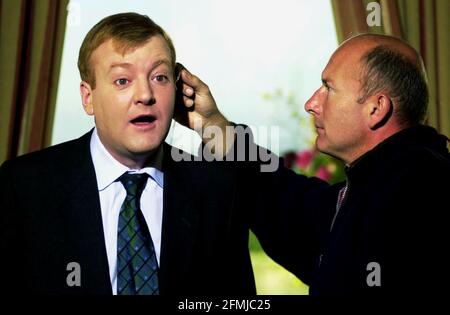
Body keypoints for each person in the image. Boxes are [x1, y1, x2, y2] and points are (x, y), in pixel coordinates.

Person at [0, 12, 333, 295]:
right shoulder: (25, 186)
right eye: (121, 80)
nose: (145, 94)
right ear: (88, 97)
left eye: (159, 77)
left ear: (179, 89)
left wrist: (213, 125)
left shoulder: (215, 190)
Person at [193, 33, 450, 295]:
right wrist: (214, 127)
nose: (311, 104)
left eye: (329, 88)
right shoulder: (380, 185)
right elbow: (293, 208)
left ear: (376, 108)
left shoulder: (419, 195)